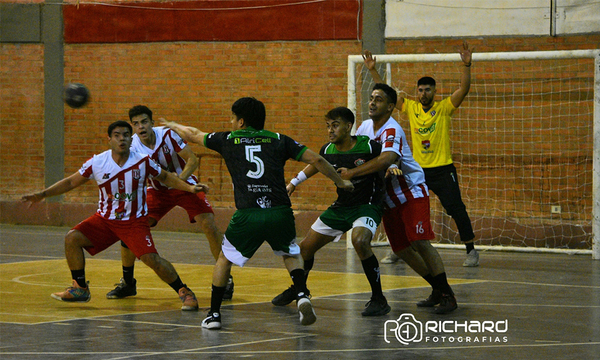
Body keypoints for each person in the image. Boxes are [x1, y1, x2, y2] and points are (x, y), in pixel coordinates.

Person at [161, 97, 354, 330]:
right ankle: (302, 293)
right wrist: (340, 182)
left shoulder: (227, 139)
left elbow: (192, 133)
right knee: (290, 253)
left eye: (232, 117)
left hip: (248, 214)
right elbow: (317, 159)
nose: (230, 122)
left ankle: (214, 315)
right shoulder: (279, 139)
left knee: (224, 259)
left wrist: (172, 125)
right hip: (280, 212)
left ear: (241, 121)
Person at [21, 120, 204, 310]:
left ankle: (184, 291)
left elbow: (166, 177)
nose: (122, 139)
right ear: (109, 139)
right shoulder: (98, 162)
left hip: (134, 222)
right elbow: (70, 183)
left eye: (126, 135)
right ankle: (80, 287)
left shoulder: (142, 160)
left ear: (130, 139)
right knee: (72, 238)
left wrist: (190, 188)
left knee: (152, 259)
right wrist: (42, 195)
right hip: (105, 221)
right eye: (117, 135)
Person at [339, 83, 457, 314]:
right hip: (387, 198)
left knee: (420, 241)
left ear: (391, 106)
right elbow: (358, 153)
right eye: (371, 98)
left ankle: (448, 295)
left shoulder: (392, 129)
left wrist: (351, 174)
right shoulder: (364, 127)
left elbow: (386, 159)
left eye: (379, 99)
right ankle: (437, 288)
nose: (372, 102)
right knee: (402, 249)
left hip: (410, 192)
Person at [362, 41, 479, 267]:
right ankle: (400, 248)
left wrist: (466, 66)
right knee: (400, 205)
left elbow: (463, 90)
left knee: (456, 208)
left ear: (434, 92)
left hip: (443, 169)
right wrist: (372, 69)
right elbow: (387, 94)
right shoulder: (411, 108)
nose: (423, 93)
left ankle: (471, 250)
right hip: (417, 170)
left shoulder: (444, 107)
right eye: (420, 90)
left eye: (427, 90)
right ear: (417, 91)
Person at [105, 105, 234, 301]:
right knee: (131, 227)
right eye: (136, 124)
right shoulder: (131, 147)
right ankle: (128, 282)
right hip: (156, 191)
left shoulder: (167, 135)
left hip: (184, 184)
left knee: (209, 223)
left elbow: (192, 160)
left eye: (144, 122)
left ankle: (226, 279)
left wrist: (180, 180)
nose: (141, 127)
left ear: (152, 123)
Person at [271, 107, 390, 316]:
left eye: (335, 125)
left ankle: (379, 298)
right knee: (304, 249)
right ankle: (299, 289)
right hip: (341, 206)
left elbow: (389, 157)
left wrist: (394, 165)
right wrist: (294, 183)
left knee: (360, 241)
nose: (330, 130)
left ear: (348, 126)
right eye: (328, 126)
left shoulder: (369, 146)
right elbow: (316, 165)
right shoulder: (328, 150)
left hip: (367, 205)